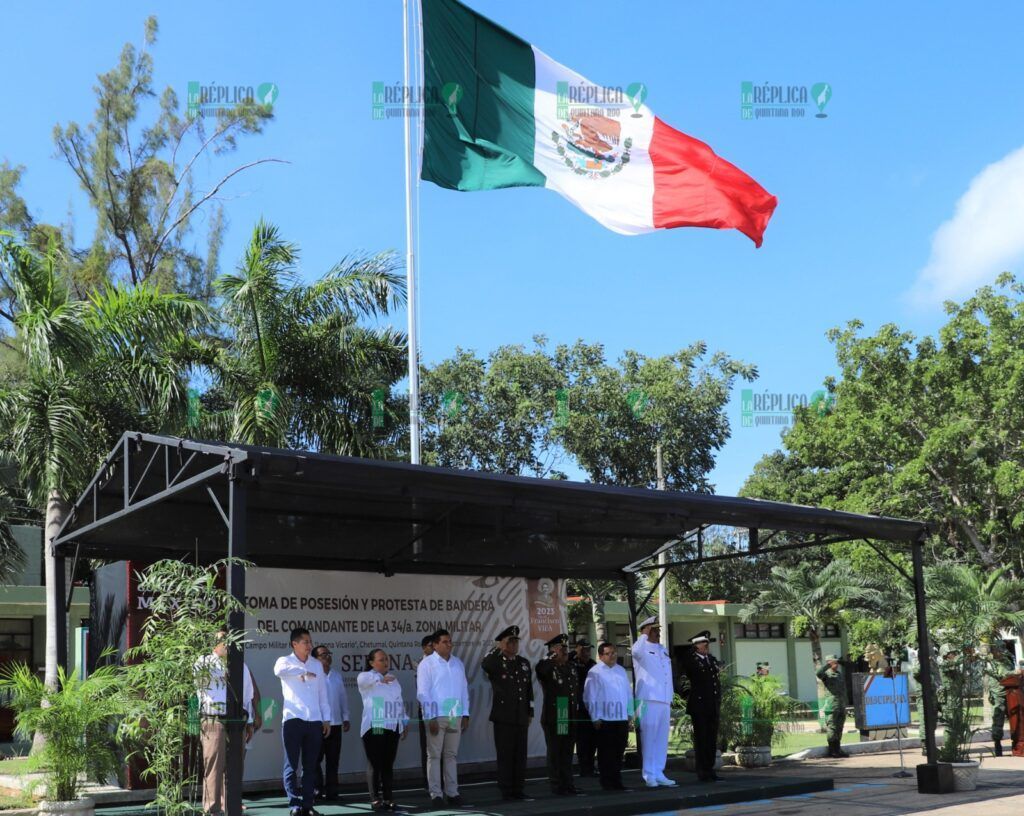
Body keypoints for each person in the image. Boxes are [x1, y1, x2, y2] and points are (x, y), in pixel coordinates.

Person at [195, 631, 257, 816]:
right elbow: (207, 679)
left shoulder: (241, 665)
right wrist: (225, 666)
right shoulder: (203, 662)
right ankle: (212, 810)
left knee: (235, 765)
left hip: (237, 720)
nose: (227, 644)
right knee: (214, 765)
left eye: (230, 641)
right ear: (214, 644)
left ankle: (231, 805)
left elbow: (248, 696)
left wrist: (250, 722)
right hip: (214, 719)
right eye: (223, 641)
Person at [274, 627, 331, 816]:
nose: (309, 645)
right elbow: (278, 670)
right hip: (293, 719)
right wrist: (302, 670)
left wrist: (326, 719)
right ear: (294, 644)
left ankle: (308, 805)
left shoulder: (316, 664)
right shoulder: (285, 661)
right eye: (305, 642)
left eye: (310, 641)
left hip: (314, 720)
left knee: (311, 766)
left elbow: (323, 693)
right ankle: (294, 804)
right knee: (291, 764)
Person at [416, 629, 470, 808]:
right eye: (445, 641)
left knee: (451, 755)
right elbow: (423, 692)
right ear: (436, 644)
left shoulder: (458, 663)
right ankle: (436, 794)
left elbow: (463, 690)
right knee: (434, 755)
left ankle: (453, 793)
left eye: (450, 641)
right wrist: (430, 716)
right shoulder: (427, 664)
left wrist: (466, 713)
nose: (449, 644)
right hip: (436, 715)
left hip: (455, 712)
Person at [481, 625, 534, 801]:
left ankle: (519, 788)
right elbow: (485, 664)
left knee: (520, 755)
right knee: (505, 755)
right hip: (504, 717)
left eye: (515, 641)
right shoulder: (496, 662)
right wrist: (498, 649)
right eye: (509, 642)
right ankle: (506, 790)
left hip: (521, 716)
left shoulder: (524, 663)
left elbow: (529, 690)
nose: (513, 645)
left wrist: (530, 711)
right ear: (503, 644)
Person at [357, 648, 409, 811]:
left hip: (392, 725)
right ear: (371, 662)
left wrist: (404, 722)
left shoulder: (393, 679)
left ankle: (388, 798)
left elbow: (399, 702)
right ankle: (375, 799)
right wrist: (380, 679)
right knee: (375, 762)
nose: (385, 662)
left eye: (386, 659)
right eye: (381, 659)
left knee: (388, 763)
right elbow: (364, 681)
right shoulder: (366, 676)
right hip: (377, 723)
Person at [631, 616, 676, 787]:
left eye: (658, 629)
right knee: (649, 738)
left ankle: (659, 771)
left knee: (661, 739)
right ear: (647, 630)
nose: (658, 632)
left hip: (664, 699)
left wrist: (669, 697)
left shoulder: (662, 649)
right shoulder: (641, 648)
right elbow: (634, 651)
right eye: (654, 629)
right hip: (648, 699)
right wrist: (643, 634)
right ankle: (649, 774)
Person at [583, 642, 632, 791]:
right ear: (600, 656)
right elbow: (589, 696)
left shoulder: (621, 670)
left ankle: (617, 781)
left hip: (621, 718)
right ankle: (607, 782)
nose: (612, 656)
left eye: (614, 652)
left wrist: (630, 713)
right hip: (605, 719)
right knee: (606, 753)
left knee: (619, 752)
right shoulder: (595, 672)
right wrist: (595, 717)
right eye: (608, 653)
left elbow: (628, 693)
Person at [536, 633, 580, 796]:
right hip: (558, 711)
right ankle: (557, 785)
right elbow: (541, 671)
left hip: (570, 712)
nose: (565, 651)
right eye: (561, 649)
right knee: (556, 752)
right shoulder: (547, 666)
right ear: (553, 650)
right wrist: (551, 656)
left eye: (565, 648)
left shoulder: (570, 667)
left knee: (567, 752)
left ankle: (568, 783)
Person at [679, 630, 723, 782]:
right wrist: (690, 698)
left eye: (707, 644)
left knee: (711, 739)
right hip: (699, 706)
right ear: (697, 645)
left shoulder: (711, 660)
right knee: (702, 738)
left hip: (712, 705)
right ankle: (702, 771)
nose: (707, 646)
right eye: (704, 643)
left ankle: (710, 769)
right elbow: (684, 682)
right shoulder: (690, 661)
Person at [312, 645, 351, 800]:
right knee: (315, 759)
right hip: (318, 724)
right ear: (315, 659)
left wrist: (346, 716)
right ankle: (316, 789)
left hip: (335, 724)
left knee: (333, 760)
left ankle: (332, 791)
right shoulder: (312, 675)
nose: (327, 656)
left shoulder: (336, 675)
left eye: (328, 654)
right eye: (323, 655)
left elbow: (342, 697)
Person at [570, 639, 597, 777]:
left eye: (588, 650)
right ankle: (582, 768)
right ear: (578, 649)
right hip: (574, 708)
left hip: (590, 708)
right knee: (581, 740)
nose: (587, 652)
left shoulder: (593, 664)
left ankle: (590, 767)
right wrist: (573, 653)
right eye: (584, 650)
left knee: (592, 740)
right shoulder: (572, 663)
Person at [816, 654, 849, 758]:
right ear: (830, 663)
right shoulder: (826, 675)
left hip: (841, 706)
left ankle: (838, 749)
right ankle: (832, 750)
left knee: (839, 728)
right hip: (831, 706)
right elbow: (818, 673)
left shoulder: (839, 674)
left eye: (837, 662)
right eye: (834, 662)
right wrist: (828, 665)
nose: (837, 664)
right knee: (832, 728)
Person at [415, 635, 435, 790]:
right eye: (430, 645)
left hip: (447, 709)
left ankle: (446, 782)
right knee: (428, 747)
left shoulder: (448, 661)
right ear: (424, 648)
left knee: (448, 749)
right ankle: (429, 782)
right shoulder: (422, 664)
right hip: (428, 710)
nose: (433, 648)